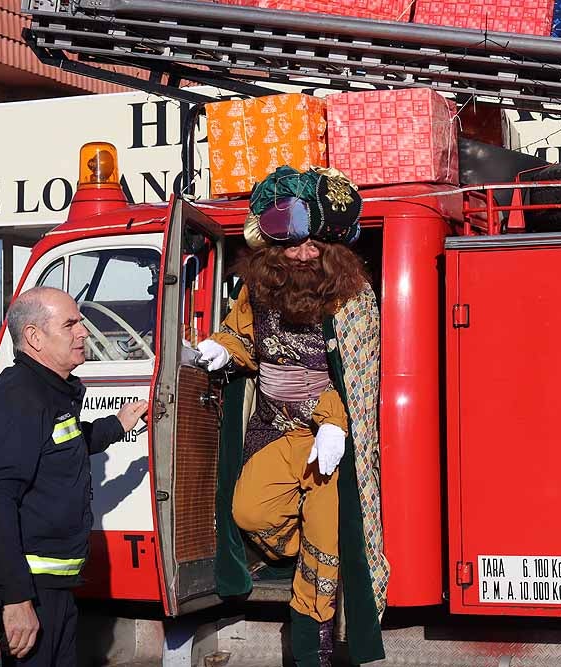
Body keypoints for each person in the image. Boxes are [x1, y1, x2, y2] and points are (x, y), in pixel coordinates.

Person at [199, 166, 388, 667]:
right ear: (272, 246)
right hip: (270, 429)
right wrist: (224, 348)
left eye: (315, 245)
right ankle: (296, 548)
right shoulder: (255, 291)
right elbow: (243, 338)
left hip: (326, 436)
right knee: (250, 512)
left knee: (328, 544)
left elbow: (358, 380)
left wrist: (335, 423)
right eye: (295, 245)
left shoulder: (354, 298)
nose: (305, 254)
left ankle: (315, 649)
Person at [0, 287, 148, 666]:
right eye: (70, 324)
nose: (83, 332)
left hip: (54, 592)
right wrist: (16, 600)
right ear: (34, 337)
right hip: (29, 593)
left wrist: (119, 423)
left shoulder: (48, 394)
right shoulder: (17, 398)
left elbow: (67, 443)